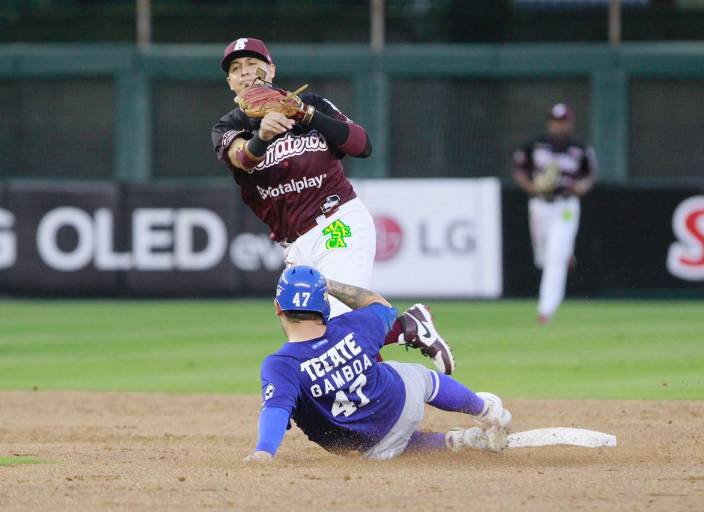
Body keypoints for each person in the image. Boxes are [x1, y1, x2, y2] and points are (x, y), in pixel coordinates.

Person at [243, 265, 512, 462]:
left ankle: (458, 442)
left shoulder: (280, 365)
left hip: (368, 446)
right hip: (402, 400)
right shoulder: (352, 325)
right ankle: (486, 410)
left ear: (278, 307)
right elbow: (382, 306)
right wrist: (332, 285)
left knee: (391, 441)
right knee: (425, 379)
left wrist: (264, 452)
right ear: (324, 307)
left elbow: (275, 411)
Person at [211, 37, 376, 318]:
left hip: (337, 224)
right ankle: (405, 328)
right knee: (310, 337)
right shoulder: (228, 126)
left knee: (338, 325)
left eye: (253, 63)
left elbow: (362, 145)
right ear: (230, 82)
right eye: (236, 68)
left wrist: (305, 114)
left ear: (271, 70)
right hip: (295, 247)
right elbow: (242, 159)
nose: (246, 72)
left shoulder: (310, 105)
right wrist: (261, 137)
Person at [512, 103, 597, 325]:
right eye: (555, 121)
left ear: (570, 123)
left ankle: (546, 309)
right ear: (550, 122)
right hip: (540, 205)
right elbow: (519, 168)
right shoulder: (536, 145)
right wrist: (530, 186)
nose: (559, 126)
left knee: (554, 259)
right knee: (542, 256)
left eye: (563, 121)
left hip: (565, 205)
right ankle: (566, 250)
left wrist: (582, 187)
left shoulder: (580, 149)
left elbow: (590, 174)